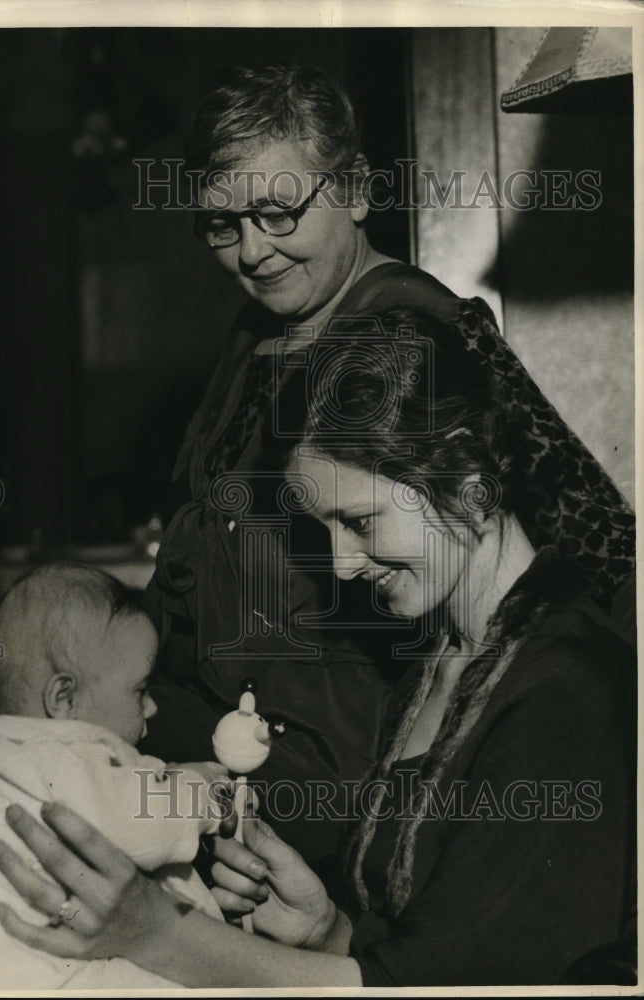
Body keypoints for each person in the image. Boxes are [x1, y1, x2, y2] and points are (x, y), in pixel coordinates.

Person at [0, 309, 635, 987]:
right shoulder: (437, 662)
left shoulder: (565, 693)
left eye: (358, 521)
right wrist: (326, 930)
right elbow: (432, 941)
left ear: (467, 483)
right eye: (322, 527)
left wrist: (158, 933)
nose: (341, 565)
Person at [139, 60, 636, 866]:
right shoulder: (255, 332)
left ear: (357, 191)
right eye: (222, 225)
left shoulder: (420, 330)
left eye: (277, 213)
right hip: (222, 727)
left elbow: (603, 547)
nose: (251, 252)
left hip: (337, 772)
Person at [0, 563, 226, 990]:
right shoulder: (63, 759)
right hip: (15, 973)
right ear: (63, 699)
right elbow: (143, 824)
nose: (152, 708)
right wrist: (202, 792)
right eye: (140, 691)